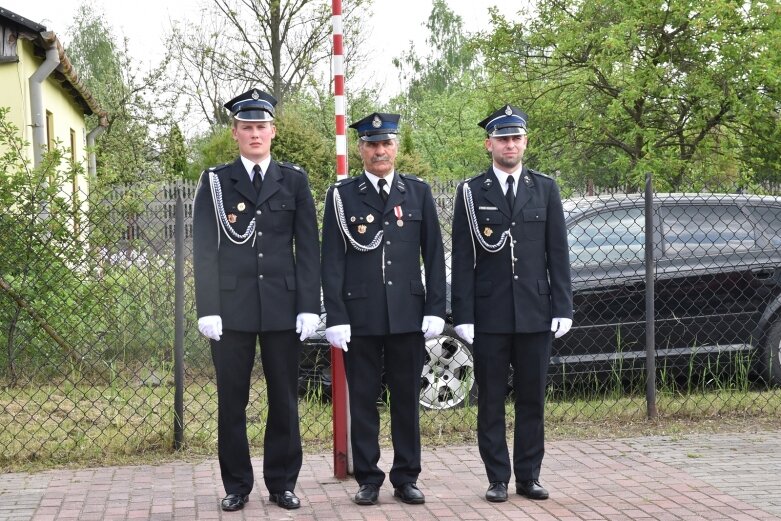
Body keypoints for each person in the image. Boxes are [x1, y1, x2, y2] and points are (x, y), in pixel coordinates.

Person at [192, 88, 320, 512]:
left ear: (273, 131)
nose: (254, 134)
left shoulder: (295, 180)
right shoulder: (215, 182)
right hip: (231, 310)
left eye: (261, 127)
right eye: (247, 127)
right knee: (233, 400)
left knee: (285, 398)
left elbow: (308, 248)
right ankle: (237, 485)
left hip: (283, 308)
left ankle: (282, 482)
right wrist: (207, 307)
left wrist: (307, 305)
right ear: (235, 133)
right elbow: (205, 249)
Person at [321, 112, 447, 506]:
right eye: (372, 144)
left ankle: (406, 477)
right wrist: (337, 315)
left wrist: (435, 308)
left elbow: (435, 254)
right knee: (363, 399)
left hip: (408, 315)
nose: (379, 150)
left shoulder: (418, 193)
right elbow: (332, 261)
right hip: (360, 318)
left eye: (386, 143)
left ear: (395, 147)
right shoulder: (342, 197)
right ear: (361, 149)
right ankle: (369, 477)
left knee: (407, 400)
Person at [450, 104, 573, 503]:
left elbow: (558, 254)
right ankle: (497, 478)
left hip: (536, 312)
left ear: (525, 142)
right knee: (490, 399)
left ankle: (529, 475)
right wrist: (464, 314)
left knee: (532, 398)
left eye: (516, 138)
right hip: (490, 315)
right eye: (503, 138)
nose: (510, 144)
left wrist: (563, 307)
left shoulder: (546, 188)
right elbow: (464, 259)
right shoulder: (471, 192)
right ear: (489, 144)